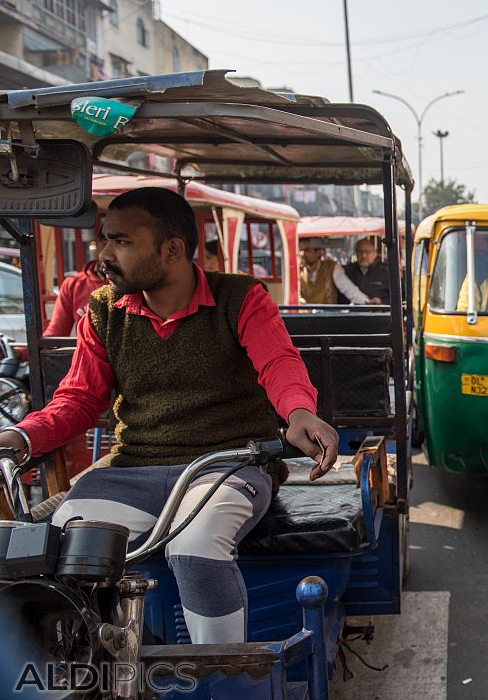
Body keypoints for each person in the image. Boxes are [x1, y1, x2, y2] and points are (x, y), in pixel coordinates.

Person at [0, 187, 339, 644]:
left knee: (195, 547)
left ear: (172, 249)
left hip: (227, 465)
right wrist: (21, 437)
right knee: (64, 551)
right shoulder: (103, 312)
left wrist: (299, 413)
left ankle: (229, 682)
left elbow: (279, 364)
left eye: (120, 241)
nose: (103, 255)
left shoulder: (240, 298)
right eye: (105, 240)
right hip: (133, 470)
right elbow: (77, 399)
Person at [43, 239, 108, 337]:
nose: (110, 249)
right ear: (97, 245)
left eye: (119, 241)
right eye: (105, 240)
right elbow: (57, 333)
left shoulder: (134, 285)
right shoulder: (73, 285)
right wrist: (21, 352)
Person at [298, 237, 373, 305]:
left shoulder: (332, 267)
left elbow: (349, 289)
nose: (303, 254)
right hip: (306, 317)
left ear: (318, 252)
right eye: (300, 250)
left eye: (307, 250)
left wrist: (367, 303)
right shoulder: (298, 271)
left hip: (328, 317)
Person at [341, 238, 389, 304]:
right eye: (360, 251)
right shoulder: (348, 271)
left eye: (367, 251)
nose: (363, 255)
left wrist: (381, 301)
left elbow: (399, 296)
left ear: (375, 253)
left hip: (379, 313)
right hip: (352, 312)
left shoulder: (386, 272)